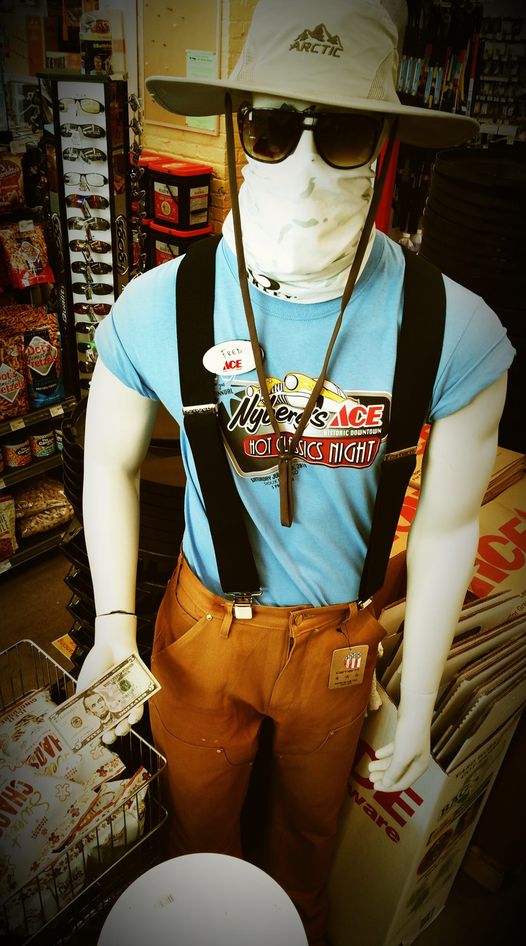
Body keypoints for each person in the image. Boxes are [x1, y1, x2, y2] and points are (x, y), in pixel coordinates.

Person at [77, 2, 515, 943]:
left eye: (344, 131)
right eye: (274, 128)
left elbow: (448, 526)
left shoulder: (453, 330)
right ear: (240, 129)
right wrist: (113, 623)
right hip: (203, 627)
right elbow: (108, 460)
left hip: (336, 646)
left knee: (307, 845)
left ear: (386, 144)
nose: (307, 166)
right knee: (198, 839)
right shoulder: (159, 306)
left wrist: (422, 699)